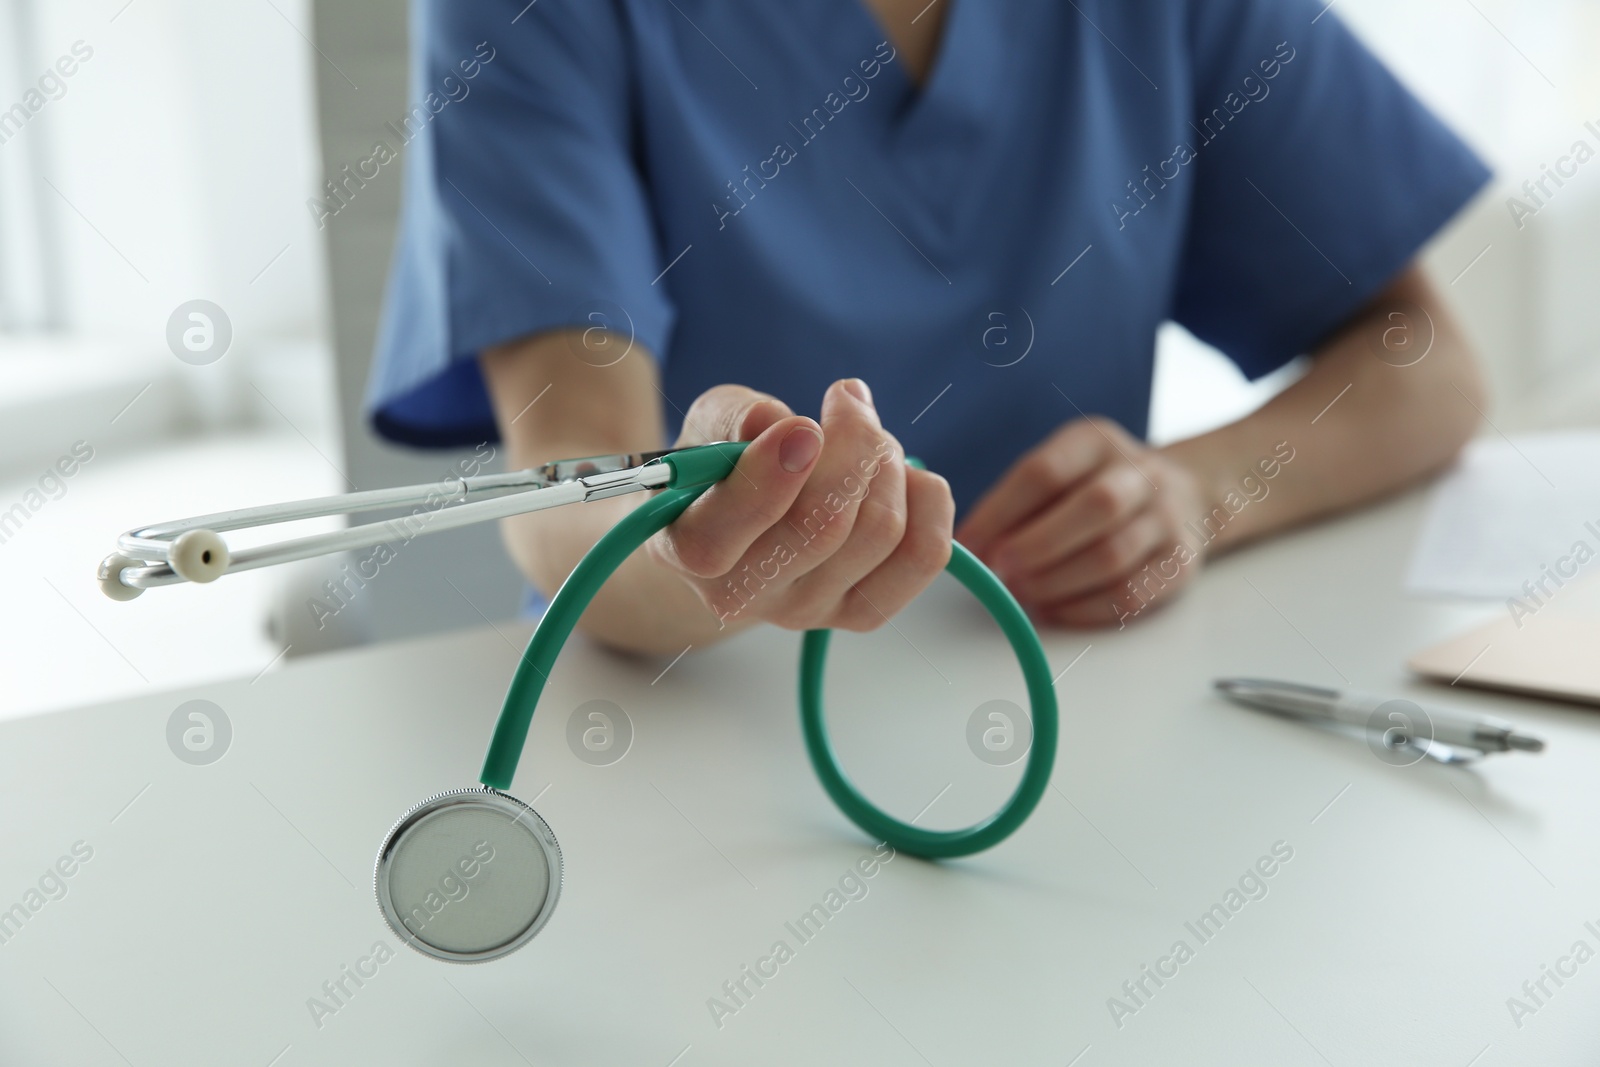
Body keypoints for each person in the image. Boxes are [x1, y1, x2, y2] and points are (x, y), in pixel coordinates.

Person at [367, 0, 1490, 655]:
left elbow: (1424, 361)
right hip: (675, 706)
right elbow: (568, 485)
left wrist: (1198, 493)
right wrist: (697, 550)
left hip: (1047, 675)